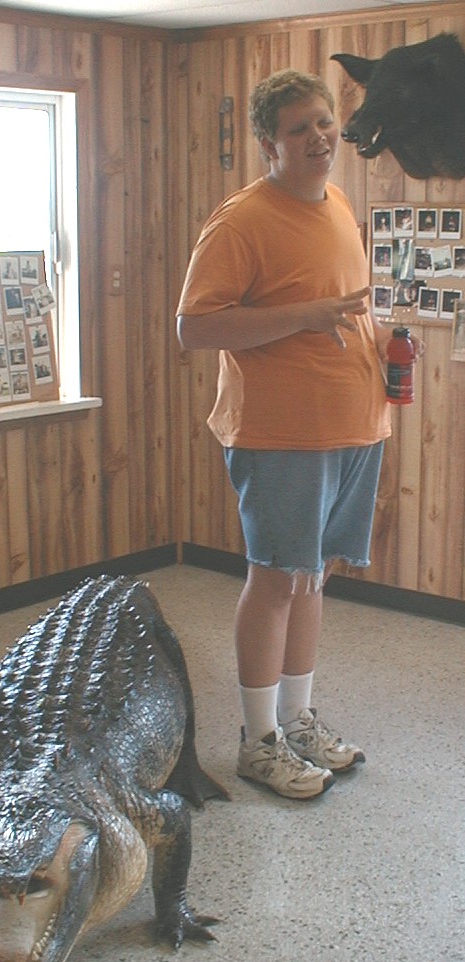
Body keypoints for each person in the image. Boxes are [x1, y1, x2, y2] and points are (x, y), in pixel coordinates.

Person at [177, 69, 418, 801]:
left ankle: (295, 718)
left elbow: (343, 307)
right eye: (297, 129)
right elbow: (195, 327)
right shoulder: (241, 220)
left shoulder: (338, 203)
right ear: (266, 146)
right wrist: (305, 315)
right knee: (277, 577)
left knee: (314, 575)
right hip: (280, 434)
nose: (317, 137)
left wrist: (383, 342)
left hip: (352, 423)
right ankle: (257, 741)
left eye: (322, 122)